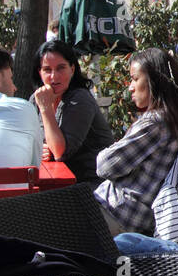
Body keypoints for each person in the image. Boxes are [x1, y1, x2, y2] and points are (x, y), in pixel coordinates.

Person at [94, 49, 178, 236]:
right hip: (142, 218)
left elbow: (104, 166)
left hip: (119, 215)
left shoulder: (156, 122)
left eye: (134, 79)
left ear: (154, 81)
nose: (130, 87)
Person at [31, 39, 115, 185]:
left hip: (91, 186)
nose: (54, 77)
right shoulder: (37, 98)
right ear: (39, 72)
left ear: (72, 69)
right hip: (57, 182)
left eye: (60, 68)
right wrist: (37, 149)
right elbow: (26, 139)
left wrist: (46, 109)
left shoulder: (80, 99)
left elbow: (59, 152)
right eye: (47, 70)